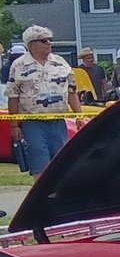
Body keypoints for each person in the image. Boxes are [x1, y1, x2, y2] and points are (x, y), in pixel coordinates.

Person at [6, 26, 79, 178]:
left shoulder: (60, 63)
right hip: (33, 122)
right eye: (44, 41)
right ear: (31, 44)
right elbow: (13, 97)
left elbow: (72, 91)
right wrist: (14, 125)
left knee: (61, 164)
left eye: (50, 40)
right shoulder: (18, 65)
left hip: (58, 122)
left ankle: (58, 198)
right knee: (40, 164)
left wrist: (79, 115)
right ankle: (40, 197)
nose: (49, 44)